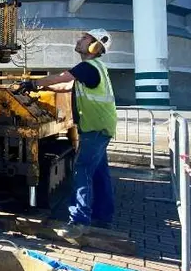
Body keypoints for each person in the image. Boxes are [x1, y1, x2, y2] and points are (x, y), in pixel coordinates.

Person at [17, 28, 117, 239]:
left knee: (82, 171)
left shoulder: (87, 66)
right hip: (101, 128)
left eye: (85, 38)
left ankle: (79, 222)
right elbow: (66, 85)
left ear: (94, 46)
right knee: (99, 172)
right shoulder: (94, 68)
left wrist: (33, 84)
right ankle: (104, 216)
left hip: (94, 129)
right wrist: (42, 89)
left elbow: (62, 77)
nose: (80, 40)